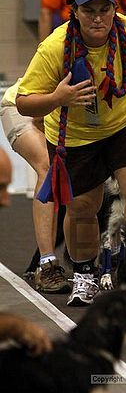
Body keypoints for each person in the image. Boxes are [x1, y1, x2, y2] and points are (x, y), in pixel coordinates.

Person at [16, 0, 126, 307]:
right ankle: (85, 273)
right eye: (89, 10)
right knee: (83, 206)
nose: (98, 17)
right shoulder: (55, 47)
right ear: (74, 10)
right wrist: (58, 97)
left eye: (105, 9)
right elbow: (24, 101)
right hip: (77, 133)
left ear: (115, 8)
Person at [0, 81, 70, 294]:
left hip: (55, 111)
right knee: (48, 168)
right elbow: (39, 117)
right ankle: (46, 264)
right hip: (23, 107)